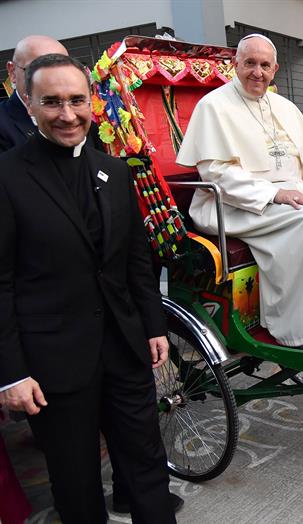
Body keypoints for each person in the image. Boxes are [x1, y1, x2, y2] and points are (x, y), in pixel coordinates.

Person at [0, 54, 176, 523]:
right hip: (52, 361)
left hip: (123, 348)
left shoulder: (113, 171)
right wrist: (11, 373)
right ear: (28, 103)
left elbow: (135, 258)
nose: (68, 114)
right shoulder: (6, 176)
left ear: (92, 101)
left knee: (147, 465)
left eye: (77, 100)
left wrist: (153, 325)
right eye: (52, 102)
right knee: (75, 480)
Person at [176, 34, 303, 346]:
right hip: (235, 202)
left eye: (264, 65)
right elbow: (216, 172)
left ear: (275, 69)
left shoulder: (282, 105)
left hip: (291, 189)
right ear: (236, 64)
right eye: (250, 63)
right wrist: (273, 194)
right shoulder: (213, 106)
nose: (257, 72)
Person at [1, 35, 68, 150]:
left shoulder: (81, 121)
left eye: (62, 70)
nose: (52, 80)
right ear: (12, 72)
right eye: (37, 70)